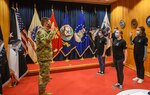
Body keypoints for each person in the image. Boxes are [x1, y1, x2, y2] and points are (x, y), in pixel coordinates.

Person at [36, 17, 56, 95]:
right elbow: (45, 41)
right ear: (46, 23)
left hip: (46, 57)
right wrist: (52, 31)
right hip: (43, 57)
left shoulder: (45, 31)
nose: (50, 23)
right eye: (50, 22)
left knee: (44, 75)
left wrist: (52, 31)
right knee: (43, 76)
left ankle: (42, 91)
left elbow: (49, 38)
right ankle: (41, 93)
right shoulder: (41, 31)